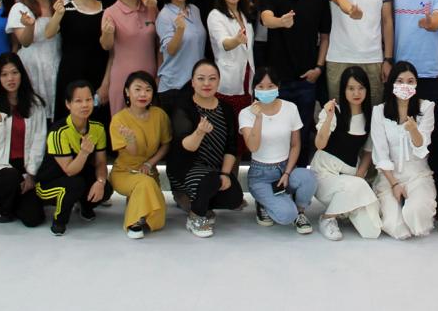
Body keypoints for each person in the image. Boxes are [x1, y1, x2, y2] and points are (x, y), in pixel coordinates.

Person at [259, 0, 331, 163]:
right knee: (275, 133)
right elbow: (266, 19)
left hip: (306, 80)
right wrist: (281, 21)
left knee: (303, 133)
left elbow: (325, 37)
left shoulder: (318, 1)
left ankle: (298, 174)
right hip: (277, 82)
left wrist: (319, 68)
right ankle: (276, 174)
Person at [168, 61, 245, 238]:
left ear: (219, 81)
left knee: (234, 197)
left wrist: (225, 174)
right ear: (193, 82)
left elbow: (231, 147)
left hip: (214, 171)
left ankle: (199, 200)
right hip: (185, 168)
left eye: (212, 79)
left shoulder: (225, 108)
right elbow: (185, 147)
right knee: (210, 180)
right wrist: (199, 132)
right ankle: (195, 216)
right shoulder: (184, 107)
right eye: (201, 79)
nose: (206, 83)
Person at [239, 68, 316, 233]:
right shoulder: (245, 114)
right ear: (254, 88)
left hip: (284, 168)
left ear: (278, 87)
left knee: (308, 177)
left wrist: (287, 172)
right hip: (261, 175)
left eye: (270, 86)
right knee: (286, 215)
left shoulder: (290, 108)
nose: (266, 90)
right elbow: (253, 147)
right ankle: (265, 202)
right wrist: (258, 118)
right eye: (260, 86)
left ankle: (300, 212)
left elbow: (295, 145)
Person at [313, 66, 382, 240]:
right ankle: (327, 218)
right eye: (351, 88)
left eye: (360, 88)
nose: (356, 93)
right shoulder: (334, 110)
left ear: (367, 89)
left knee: (372, 231)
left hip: (350, 177)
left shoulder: (370, 117)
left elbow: (368, 152)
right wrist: (329, 118)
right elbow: (320, 144)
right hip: (324, 174)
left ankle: (343, 209)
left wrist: (359, 176)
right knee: (358, 187)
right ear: (343, 90)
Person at [34, 80, 111, 236]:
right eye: (78, 101)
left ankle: (85, 206)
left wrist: (101, 182)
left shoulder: (98, 128)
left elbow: (101, 162)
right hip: (49, 182)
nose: (85, 105)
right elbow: (69, 170)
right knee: (75, 184)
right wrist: (84, 152)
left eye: (88, 100)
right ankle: (59, 221)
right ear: (68, 104)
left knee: (106, 188)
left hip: (77, 177)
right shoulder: (58, 131)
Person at [0, 53, 47, 228]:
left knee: (34, 218)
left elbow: (39, 141)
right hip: (0, 167)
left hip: (25, 166)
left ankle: (13, 200)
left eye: (14, 72)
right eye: (4, 74)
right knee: (10, 179)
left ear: (22, 74)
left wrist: (30, 175)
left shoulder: (35, 104)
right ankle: (0, 202)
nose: (10, 78)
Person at [370, 62, 436, 240]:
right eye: (400, 81)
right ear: (392, 83)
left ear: (416, 84)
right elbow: (381, 153)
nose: (405, 85)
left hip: (417, 174)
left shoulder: (426, 107)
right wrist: (394, 184)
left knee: (417, 217)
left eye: (410, 81)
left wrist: (413, 130)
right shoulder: (379, 111)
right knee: (397, 227)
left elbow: (422, 147)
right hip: (390, 176)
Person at [109, 71, 172, 239]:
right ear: (127, 92)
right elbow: (132, 153)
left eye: (148, 89)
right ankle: (133, 222)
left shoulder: (159, 115)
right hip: (125, 172)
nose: (143, 94)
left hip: (148, 171)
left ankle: (136, 203)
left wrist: (150, 163)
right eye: (137, 89)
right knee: (144, 183)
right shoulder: (119, 119)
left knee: (157, 208)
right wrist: (130, 139)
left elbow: (166, 144)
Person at [47, 0, 110, 121]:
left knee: (98, 123)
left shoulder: (107, 9)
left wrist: (106, 83)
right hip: (70, 75)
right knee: (68, 124)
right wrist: (58, 14)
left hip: (99, 74)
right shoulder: (66, 8)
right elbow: (49, 33)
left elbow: (113, 52)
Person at [100, 0, 160, 117]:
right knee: (122, 124)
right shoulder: (110, 12)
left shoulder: (151, 7)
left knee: (150, 123)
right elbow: (106, 46)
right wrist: (107, 33)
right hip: (122, 78)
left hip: (150, 77)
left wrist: (159, 75)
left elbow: (160, 45)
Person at [6, 0, 62, 118]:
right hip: (31, 66)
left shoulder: (60, 4)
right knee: (33, 114)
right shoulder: (20, 8)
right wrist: (29, 26)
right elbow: (25, 42)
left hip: (57, 62)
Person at [206, 0, 254, 119]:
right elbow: (224, 44)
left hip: (248, 81)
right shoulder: (215, 15)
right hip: (228, 84)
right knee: (231, 127)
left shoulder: (244, 13)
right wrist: (236, 40)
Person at [155, 0, 207, 96]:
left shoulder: (194, 10)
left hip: (196, 84)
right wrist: (180, 30)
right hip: (175, 86)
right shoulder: (165, 15)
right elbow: (170, 50)